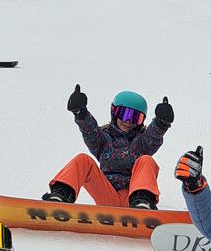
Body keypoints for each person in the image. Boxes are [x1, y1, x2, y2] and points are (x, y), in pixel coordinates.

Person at [43, 88, 174, 210]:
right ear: (114, 113)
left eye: (135, 117)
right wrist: (81, 113)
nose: (128, 121)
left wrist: (160, 123)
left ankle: (143, 203)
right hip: (106, 194)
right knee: (83, 159)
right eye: (123, 114)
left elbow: (153, 136)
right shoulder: (104, 139)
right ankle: (60, 196)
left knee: (146, 160)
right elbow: (90, 132)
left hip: (132, 198)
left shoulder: (142, 142)